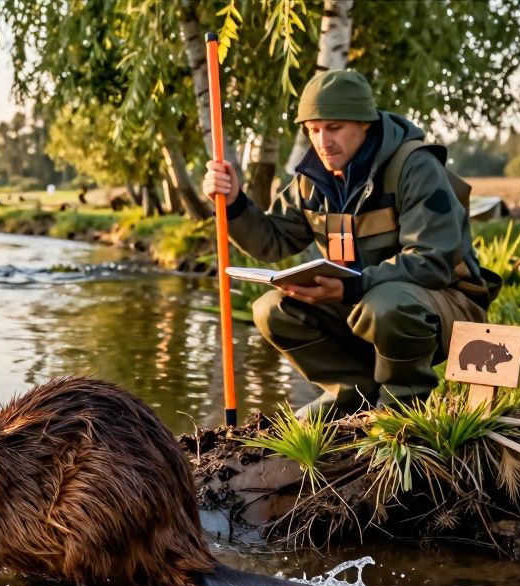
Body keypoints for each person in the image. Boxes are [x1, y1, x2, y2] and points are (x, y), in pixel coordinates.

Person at [203, 69, 498, 417]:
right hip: (363, 305)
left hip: (449, 305)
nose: (323, 141)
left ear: (365, 124)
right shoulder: (312, 181)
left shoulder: (415, 166)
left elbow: (432, 262)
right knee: (271, 309)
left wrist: (352, 287)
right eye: (313, 130)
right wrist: (235, 202)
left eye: (334, 127)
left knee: (384, 305)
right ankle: (353, 394)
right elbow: (272, 242)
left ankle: (402, 406)